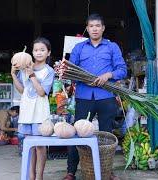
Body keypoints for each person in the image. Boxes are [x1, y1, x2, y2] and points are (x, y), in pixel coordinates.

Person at [63, 14, 127, 180]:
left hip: (106, 96)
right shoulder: (79, 48)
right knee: (77, 133)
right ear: (87, 28)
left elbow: (123, 70)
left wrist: (108, 74)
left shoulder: (112, 47)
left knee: (107, 135)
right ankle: (71, 172)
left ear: (103, 28)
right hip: (84, 96)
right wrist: (83, 78)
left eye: (98, 26)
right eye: (91, 26)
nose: (95, 29)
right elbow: (70, 72)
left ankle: (108, 171)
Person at [11, 37, 55, 180]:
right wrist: (13, 74)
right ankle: (31, 176)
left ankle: (40, 176)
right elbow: (22, 90)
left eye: (42, 50)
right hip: (26, 113)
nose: (39, 53)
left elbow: (42, 92)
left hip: (40, 113)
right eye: (36, 50)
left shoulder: (49, 71)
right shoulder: (23, 68)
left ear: (48, 53)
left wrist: (31, 75)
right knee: (29, 146)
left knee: (40, 147)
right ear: (32, 52)